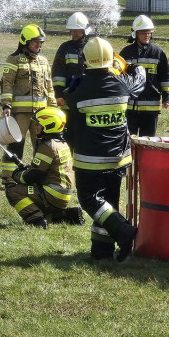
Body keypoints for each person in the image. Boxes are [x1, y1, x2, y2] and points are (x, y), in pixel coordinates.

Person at [65, 37, 145, 262]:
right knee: (108, 202)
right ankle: (102, 253)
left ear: (85, 60)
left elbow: (66, 93)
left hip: (89, 158)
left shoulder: (77, 86)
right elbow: (140, 78)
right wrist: (129, 65)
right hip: (118, 158)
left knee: (91, 200)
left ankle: (124, 232)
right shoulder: (123, 83)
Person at [5, 107, 85, 228]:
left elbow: (34, 176)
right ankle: (61, 216)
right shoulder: (62, 144)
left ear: (49, 125)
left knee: (12, 190)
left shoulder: (47, 146)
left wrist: (16, 174)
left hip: (52, 195)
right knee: (29, 189)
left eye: (38, 125)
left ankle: (37, 220)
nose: (36, 127)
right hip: (61, 195)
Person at [0, 24, 57, 183]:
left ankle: (38, 176)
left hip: (41, 114)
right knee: (15, 145)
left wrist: (53, 109)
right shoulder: (14, 59)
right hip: (21, 113)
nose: (39, 45)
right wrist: (7, 105)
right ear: (25, 42)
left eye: (40, 42)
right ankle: (9, 178)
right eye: (35, 42)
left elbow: (49, 87)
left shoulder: (44, 61)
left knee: (41, 147)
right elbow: (7, 83)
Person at [119, 15, 169, 137]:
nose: (147, 35)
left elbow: (165, 76)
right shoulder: (126, 53)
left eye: (149, 32)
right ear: (135, 34)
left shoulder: (157, 52)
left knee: (148, 142)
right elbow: (120, 77)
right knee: (128, 140)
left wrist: (166, 97)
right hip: (130, 106)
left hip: (151, 106)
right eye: (143, 32)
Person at [51, 12, 90, 145]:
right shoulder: (65, 48)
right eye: (72, 30)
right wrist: (58, 93)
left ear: (84, 30)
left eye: (77, 30)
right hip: (68, 97)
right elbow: (58, 71)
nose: (74, 33)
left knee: (85, 133)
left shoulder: (91, 47)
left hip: (87, 97)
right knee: (69, 133)